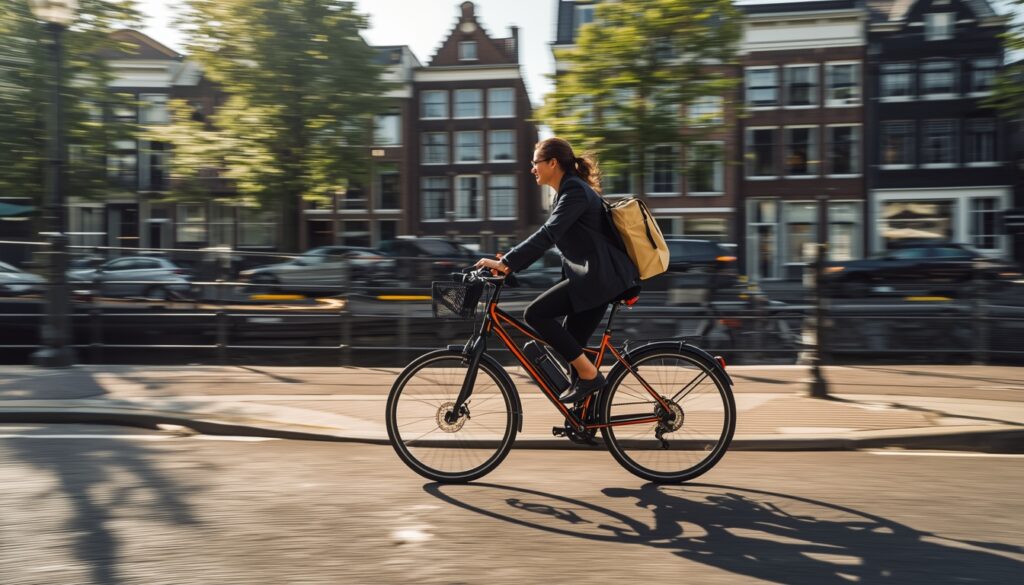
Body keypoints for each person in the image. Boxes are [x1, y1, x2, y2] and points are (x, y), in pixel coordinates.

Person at [475, 137, 639, 404]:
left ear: (553, 163)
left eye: (535, 163)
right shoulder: (568, 191)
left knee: (535, 314)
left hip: (598, 278)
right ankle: (585, 419)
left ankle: (590, 376)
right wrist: (510, 266)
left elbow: (549, 234)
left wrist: (508, 261)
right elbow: (559, 243)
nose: (532, 169)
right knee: (571, 345)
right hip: (596, 279)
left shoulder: (574, 191)